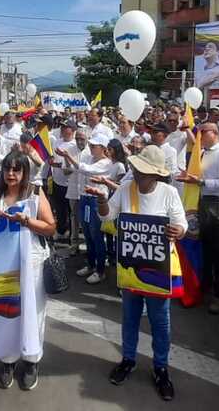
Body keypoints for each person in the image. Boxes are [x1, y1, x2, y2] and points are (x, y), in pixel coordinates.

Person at [89, 145, 186, 401]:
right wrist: (101, 201)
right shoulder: (124, 189)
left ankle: (161, 368)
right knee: (130, 317)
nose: (137, 174)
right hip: (131, 268)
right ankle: (128, 360)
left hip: (158, 269)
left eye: (142, 172)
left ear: (155, 175)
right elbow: (107, 217)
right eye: (136, 169)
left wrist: (179, 231)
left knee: (160, 321)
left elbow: (181, 223)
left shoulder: (169, 193)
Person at [0, 151, 57, 391]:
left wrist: (26, 221)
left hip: (32, 261)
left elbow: (50, 227)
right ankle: (8, 361)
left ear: (25, 172)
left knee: (33, 312)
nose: (11, 174)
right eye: (7, 169)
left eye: (16, 170)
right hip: (3, 265)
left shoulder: (35, 193)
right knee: (6, 311)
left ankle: (32, 360)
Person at [177, 122, 219, 314]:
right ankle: (205, 287)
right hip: (201, 204)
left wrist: (201, 182)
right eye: (198, 132)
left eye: (203, 132)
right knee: (206, 253)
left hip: (215, 207)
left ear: (215, 133)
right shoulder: (204, 152)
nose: (200, 135)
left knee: (218, 255)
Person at [59, 132, 115, 284]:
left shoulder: (106, 162)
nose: (90, 147)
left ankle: (100, 270)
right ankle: (90, 264)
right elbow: (77, 169)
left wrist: (68, 156)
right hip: (84, 198)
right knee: (88, 235)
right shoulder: (89, 157)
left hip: (97, 201)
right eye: (90, 145)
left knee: (96, 235)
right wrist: (66, 158)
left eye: (94, 146)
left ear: (103, 148)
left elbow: (86, 170)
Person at [49, 121, 77, 242]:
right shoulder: (57, 142)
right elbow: (53, 158)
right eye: (62, 127)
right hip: (57, 181)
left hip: (70, 183)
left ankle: (72, 235)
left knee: (71, 211)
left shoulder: (75, 145)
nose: (63, 129)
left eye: (66, 127)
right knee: (60, 209)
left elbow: (73, 165)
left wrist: (57, 164)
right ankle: (61, 231)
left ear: (72, 130)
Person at [64, 128, 88, 254]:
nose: (79, 141)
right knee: (74, 218)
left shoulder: (91, 152)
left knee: (87, 220)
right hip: (73, 190)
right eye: (77, 138)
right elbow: (65, 171)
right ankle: (74, 245)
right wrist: (74, 168)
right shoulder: (70, 151)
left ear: (87, 138)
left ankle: (89, 246)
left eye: (82, 139)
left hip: (87, 192)